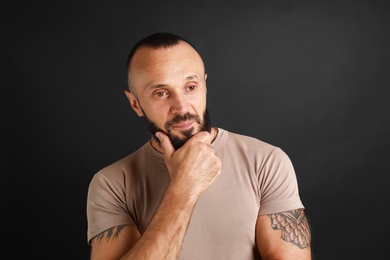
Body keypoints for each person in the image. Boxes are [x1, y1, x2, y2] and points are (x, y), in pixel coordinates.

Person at [86, 32, 312, 259]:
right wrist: (183, 188)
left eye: (190, 87)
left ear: (204, 85)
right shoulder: (112, 184)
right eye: (161, 93)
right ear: (135, 104)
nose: (181, 107)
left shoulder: (266, 161)